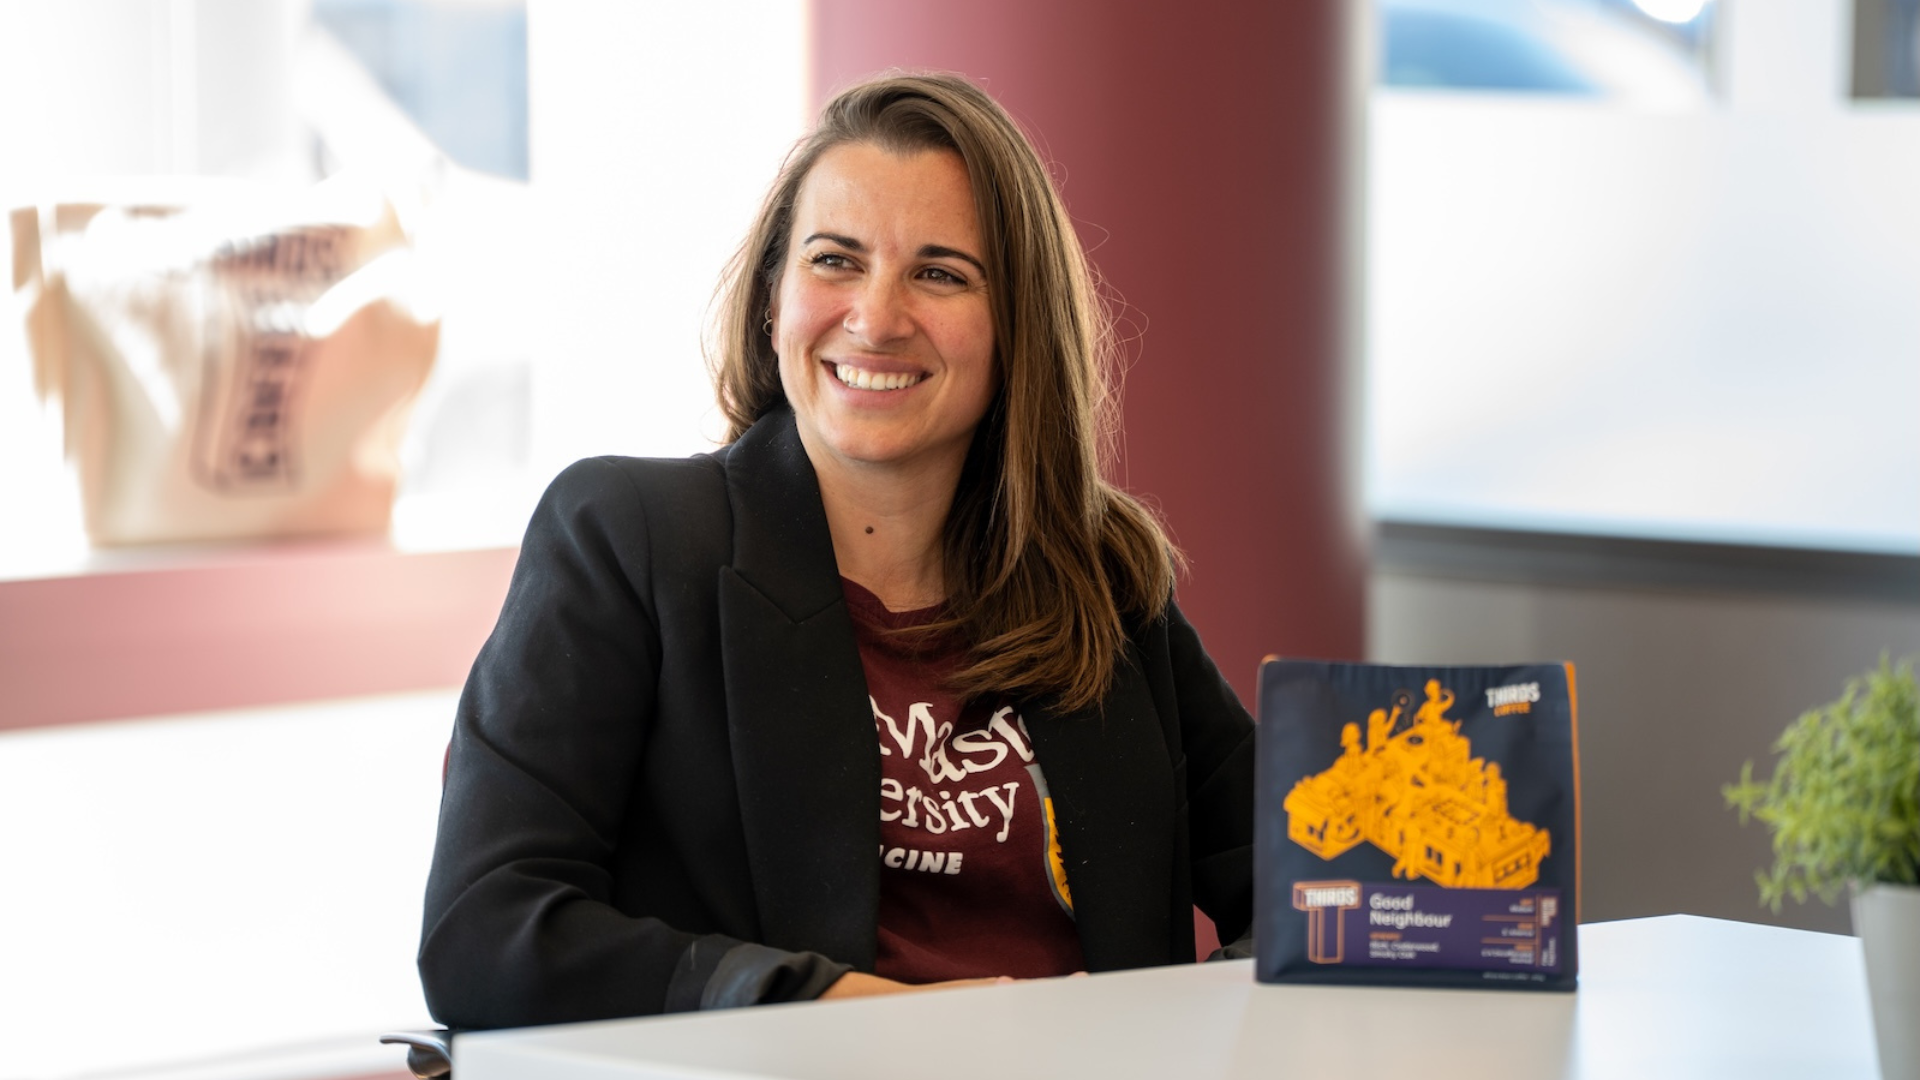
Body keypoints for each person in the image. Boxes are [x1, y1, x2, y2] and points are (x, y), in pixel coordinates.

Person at [418, 71, 1255, 1031]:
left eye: (940, 272)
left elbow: (1316, 887)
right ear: (775, 294)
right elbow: (486, 934)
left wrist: (1195, 1021)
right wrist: (830, 1008)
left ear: (1017, 327)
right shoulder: (626, 536)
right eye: (833, 260)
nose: (876, 316)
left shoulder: (1095, 578)